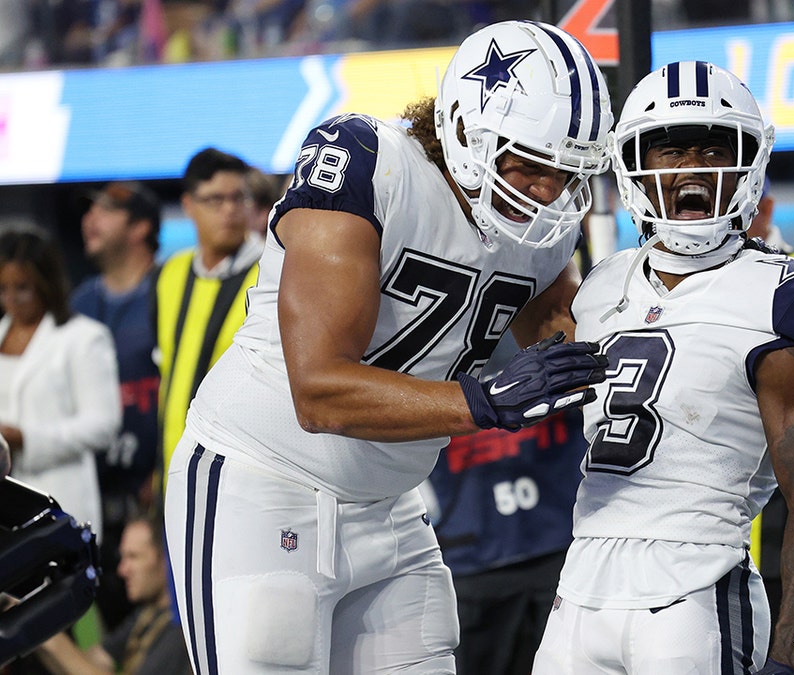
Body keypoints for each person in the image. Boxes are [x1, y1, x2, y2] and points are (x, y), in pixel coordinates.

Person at [162, 20, 612, 673]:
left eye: (565, 168)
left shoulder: (539, 224)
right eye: (529, 161)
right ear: (464, 127)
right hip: (261, 483)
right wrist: (480, 401)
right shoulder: (368, 163)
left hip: (390, 504)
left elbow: (567, 336)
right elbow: (318, 391)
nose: (546, 189)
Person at [532, 61, 794, 675]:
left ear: (748, 164)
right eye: (670, 150)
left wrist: (792, 652)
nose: (692, 168)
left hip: (695, 587)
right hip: (580, 588)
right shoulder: (601, 285)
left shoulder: (783, 293)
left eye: (713, 149)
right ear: (633, 169)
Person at [425, 403, 588, 675]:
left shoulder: (563, 361)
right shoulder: (434, 372)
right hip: (473, 556)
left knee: (579, 663)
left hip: (562, 543)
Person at [70, 181, 163, 631]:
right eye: (89, 211)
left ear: (140, 226)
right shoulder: (79, 301)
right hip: (88, 494)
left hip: (150, 498)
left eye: (106, 211)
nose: (91, 219)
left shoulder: (169, 290)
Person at [0, 229, 121, 545]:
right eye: (3, 289)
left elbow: (102, 425)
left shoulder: (84, 338)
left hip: (62, 498)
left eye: (22, 288)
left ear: (46, 284)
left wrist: (26, 438)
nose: (11, 299)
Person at [155, 146, 262, 494]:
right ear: (188, 205)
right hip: (175, 470)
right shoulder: (172, 273)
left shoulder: (271, 273)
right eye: (216, 199)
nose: (230, 210)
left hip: (241, 476)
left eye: (239, 198)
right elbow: (168, 376)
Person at [34, 514, 190, 675]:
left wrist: (41, 626)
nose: (122, 570)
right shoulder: (147, 615)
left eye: (133, 557)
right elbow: (94, 661)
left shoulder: (179, 630)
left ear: (166, 559)